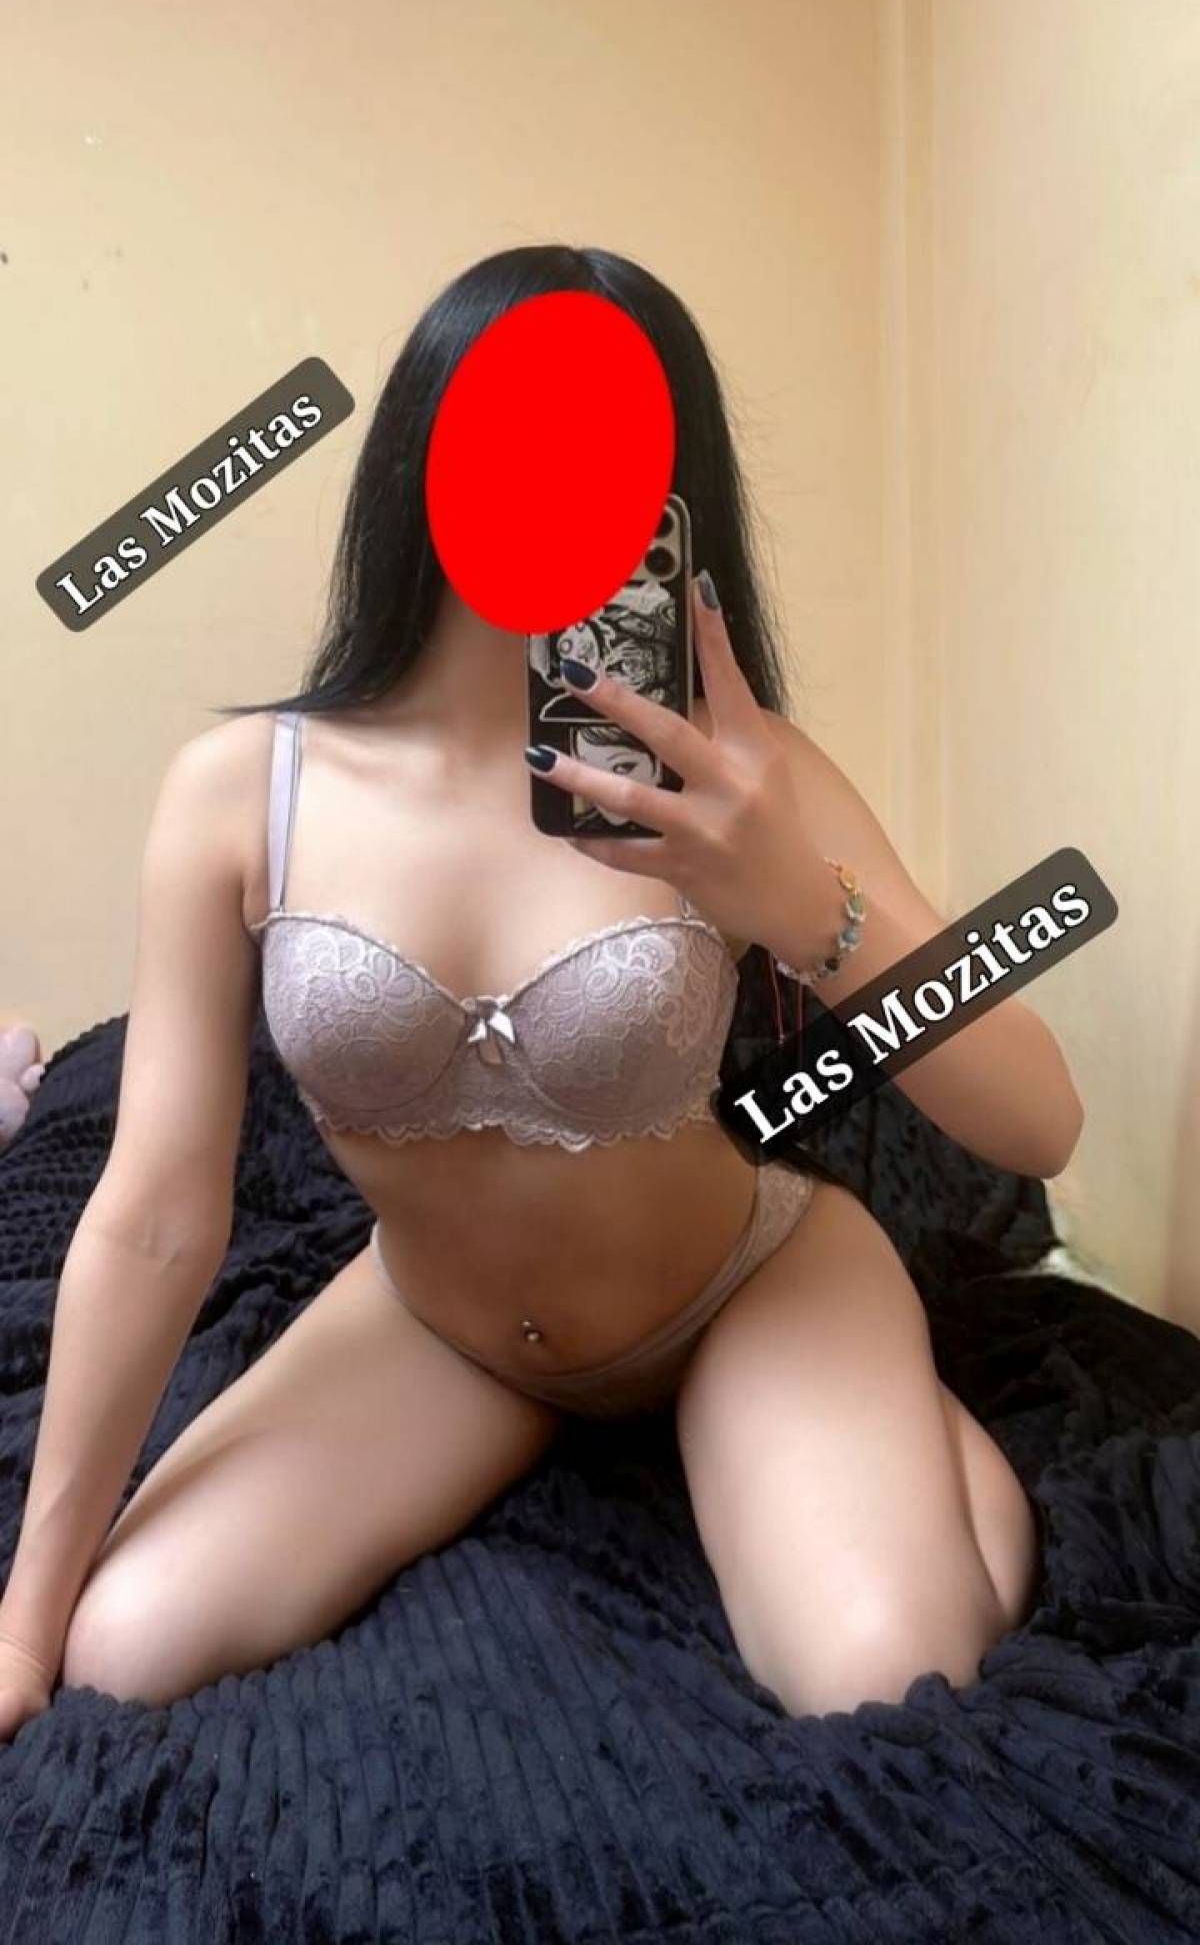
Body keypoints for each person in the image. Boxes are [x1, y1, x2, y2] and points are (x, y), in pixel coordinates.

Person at [0, 245, 1073, 1738]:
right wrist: (22, 1617)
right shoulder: (242, 792)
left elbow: (1038, 1122)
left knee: (889, 1676)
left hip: (737, 1290)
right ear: (421, 459)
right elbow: (157, 1211)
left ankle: (893, 1422)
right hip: (439, 1328)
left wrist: (800, 910)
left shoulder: (743, 775)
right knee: (122, 1646)